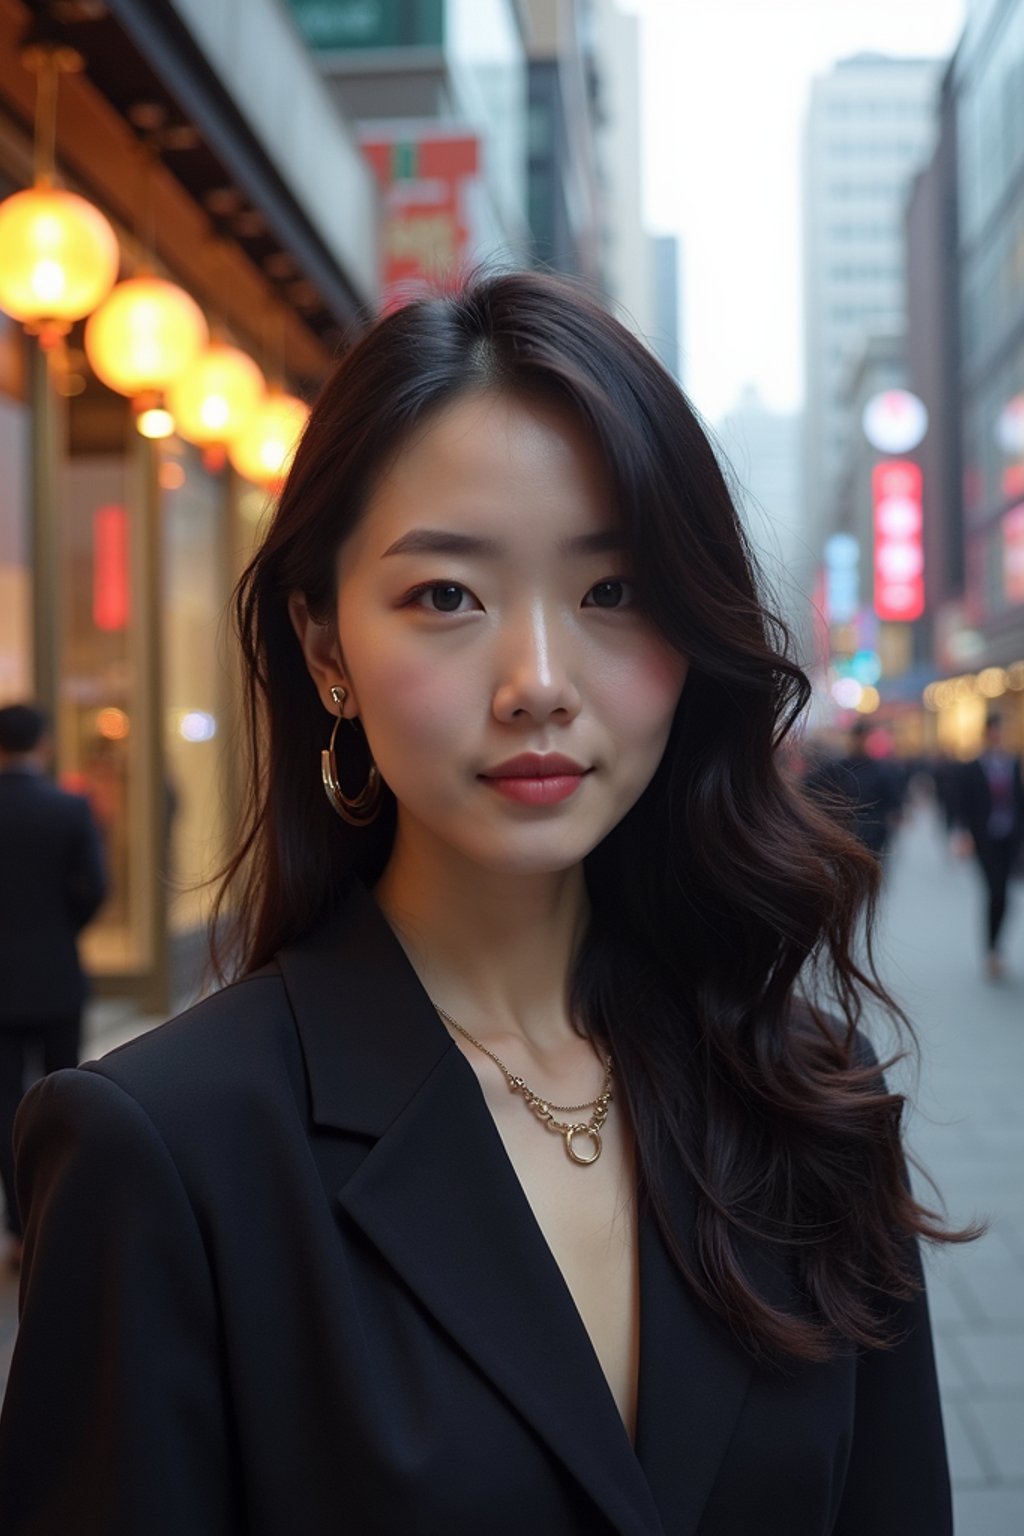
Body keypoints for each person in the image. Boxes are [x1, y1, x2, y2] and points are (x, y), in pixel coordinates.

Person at [0, 274, 973, 1535]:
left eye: (611, 592)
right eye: (445, 595)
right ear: (325, 649)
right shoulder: (168, 1155)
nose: (539, 683)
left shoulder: (803, 1094)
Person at [0, 703, 107, 1273]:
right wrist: (63, 929)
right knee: (63, 1091)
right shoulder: (68, 807)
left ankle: (19, 1228)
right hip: (56, 972)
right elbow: (95, 886)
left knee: (4, 1101)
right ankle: (58, 1218)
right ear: (41, 744)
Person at [953, 712, 1024, 979]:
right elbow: (963, 802)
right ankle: (991, 950)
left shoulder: (1013, 763)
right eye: (995, 729)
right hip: (985, 840)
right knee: (995, 892)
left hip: (1010, 838)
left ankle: (996, 948)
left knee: (1005, 895)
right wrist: (962, 834)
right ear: (987, 732)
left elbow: (1018, 800)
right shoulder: (972, 767)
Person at [803, 718, 903, 862]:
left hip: (873, 835)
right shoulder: (839, 768)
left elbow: (892, 803)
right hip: (845, 834)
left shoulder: (881, 770)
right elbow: (809, 786)